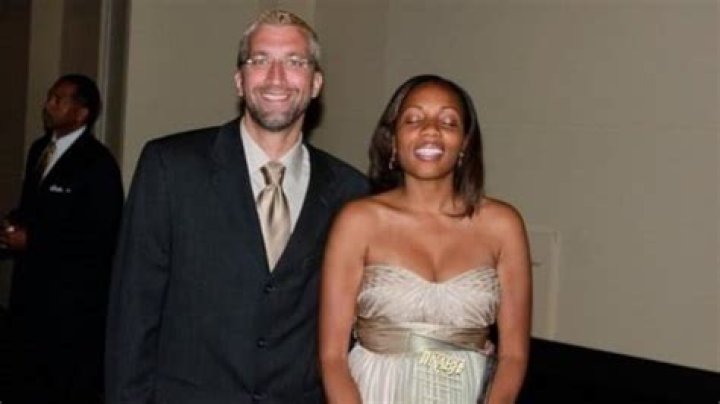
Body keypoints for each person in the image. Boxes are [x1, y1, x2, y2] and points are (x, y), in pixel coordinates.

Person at [105, 9, 368, 404]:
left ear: (316, 83)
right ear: (239, 81)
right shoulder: (170, 168)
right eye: (260, 60)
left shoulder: (351, 192)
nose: (276, 77)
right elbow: (132, 312)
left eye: (294, 62)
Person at [319, 74, 531, 404]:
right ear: (393, 139)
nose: (431, 129)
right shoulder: (358, 221)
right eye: (414, 119)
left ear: (465, 143)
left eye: (448, 121)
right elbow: (332, 357)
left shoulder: (503, 226)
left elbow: (514, 356)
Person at [1, 74, 124, 403]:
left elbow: (101, 236)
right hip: (30, 295)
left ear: (81, 113)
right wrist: (13, 226)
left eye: (58, 100)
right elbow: (34, 207)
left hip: (70, 307)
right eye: (49, 97)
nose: (48, 105)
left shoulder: (98, 165)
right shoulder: (40, 150)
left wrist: (35, 242)